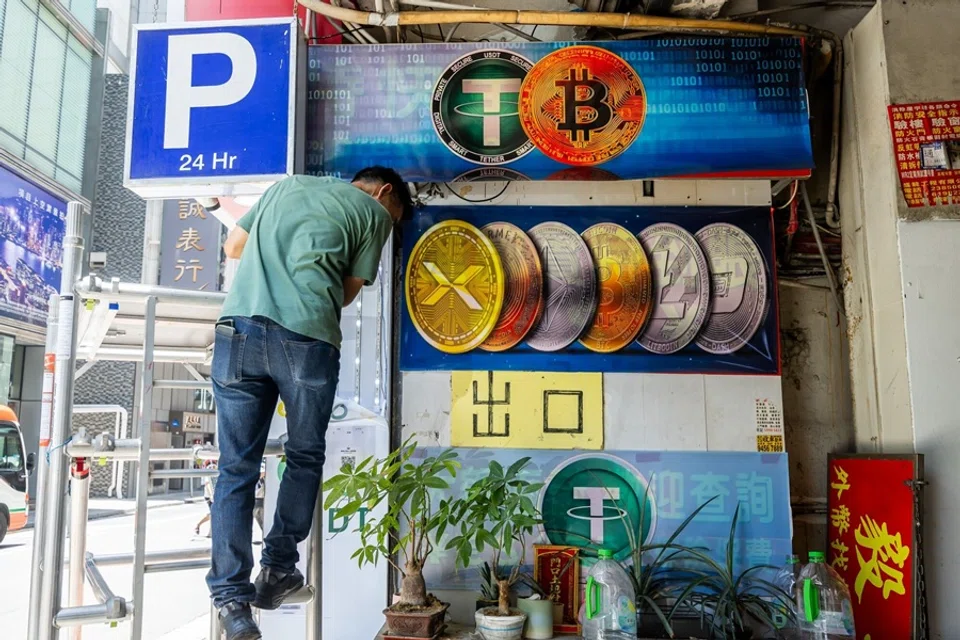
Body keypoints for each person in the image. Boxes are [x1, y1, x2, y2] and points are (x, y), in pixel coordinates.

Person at [205, 168, 411, 640]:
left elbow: (232, 247)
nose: (389, 221)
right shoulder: (372, 212)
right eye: (394, 214)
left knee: (235, 469)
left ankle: (232, 603)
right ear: (384, 193)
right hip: (306, 340)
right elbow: (345, 294)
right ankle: (277, 569)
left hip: (236, 333)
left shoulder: (284, 187)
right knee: (302, 454)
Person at [195, 460, 217, 537]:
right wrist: (212, 496)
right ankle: (210, 532)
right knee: (213, 514)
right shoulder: (208, 474)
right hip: (209, 496)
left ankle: (199, 526)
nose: (213, 467)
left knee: (213, 513)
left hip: (213, 495)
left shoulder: (214, 473)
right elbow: (208, 486)